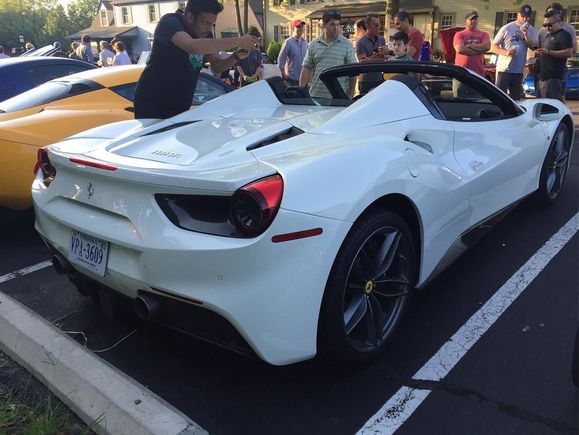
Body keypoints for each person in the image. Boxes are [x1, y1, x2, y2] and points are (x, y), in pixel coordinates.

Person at [134, 0, 259, 119]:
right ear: (190, 17)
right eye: (205, 23)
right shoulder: (170, 23)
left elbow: (217, 66)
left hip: (179, 107)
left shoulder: (205, 34)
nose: (209, 29)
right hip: (152, 104)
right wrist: (238, 40)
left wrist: (235, 56)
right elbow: (191, 46)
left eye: (212, 24)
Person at [299, 9, 357, 99]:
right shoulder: (314, 44)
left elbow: (353, 72)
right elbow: (306, 68)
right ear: (324, 25)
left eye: (338, 24)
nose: (336, 28)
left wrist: (351, 94)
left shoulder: (346, 44)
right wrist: (301, 91)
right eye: (332, 24)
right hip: (316, 95)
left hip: (339, 96)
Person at [491, 4, 538, 100]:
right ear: (518, 15)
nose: (525, 19)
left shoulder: (531, 30)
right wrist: (506, 52)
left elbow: (534, 47)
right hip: (504, 69)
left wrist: (526, 35)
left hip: (518, 70)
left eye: (527, 17)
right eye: (523, 16)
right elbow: (493, 46)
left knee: (516, 98)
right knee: (500, 97)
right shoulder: (507, 28)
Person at [538, 3, 577, 101]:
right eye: (545, 25)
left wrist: (549, 52)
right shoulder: (547, 34)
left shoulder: (564, 34)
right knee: (540, 103)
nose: (547, 28)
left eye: (549, 25)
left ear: (558, 21)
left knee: (550, 105)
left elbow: (570, 52)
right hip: (542, 75)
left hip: (553, 77)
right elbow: (542, 50)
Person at [453, 10, 490, 76]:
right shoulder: (459, 34)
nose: (474, 21)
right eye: (471, 19)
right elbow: (460, 49)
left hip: (478, 72)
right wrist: (480, 50)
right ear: (466, 20)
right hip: (461, 72)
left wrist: (469, 46)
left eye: (475, 19)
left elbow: (487, 47)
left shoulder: (484, 34)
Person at [355, 14, 386, 94]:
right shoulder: (360, 42)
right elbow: (362, 62)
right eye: (375, 25)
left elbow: (384, 59)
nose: (378, 27)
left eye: (379, 25)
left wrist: (369, 59)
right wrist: (376, 57)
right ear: (367, 25)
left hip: (379, 78)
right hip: (365, 80)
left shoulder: (381, 39)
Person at [277, 19, 308, 86]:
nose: (301, 28)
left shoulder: (305, 43)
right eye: (298, 27)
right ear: (293, 28)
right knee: (294, 96)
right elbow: (281, 58)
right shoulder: (288, 42)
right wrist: (283, 73)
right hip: (291, 79)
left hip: (303, 78)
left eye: (302, 27)